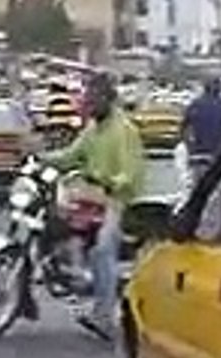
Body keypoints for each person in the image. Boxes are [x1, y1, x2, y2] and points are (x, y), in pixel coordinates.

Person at [43, 73, 145, 341]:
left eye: (93, 100)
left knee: (102, 251)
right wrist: (41, 158)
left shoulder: (124, 131)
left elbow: (130, 173)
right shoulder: (92, 128)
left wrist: (111, 182)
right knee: (53, 222)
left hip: (117, 200)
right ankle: (71, 273)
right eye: (87, 100)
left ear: (108, 100)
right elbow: (70, 156)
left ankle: (104, 317)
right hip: (90, 195)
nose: (88, 105)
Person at [182, 77, 221, 183]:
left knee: (198, 187)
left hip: (197, 155)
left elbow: (185, 130)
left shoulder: (194, 105)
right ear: (220, 90)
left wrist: (190, 148)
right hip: (218, 156)